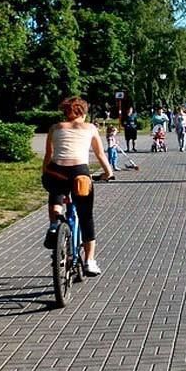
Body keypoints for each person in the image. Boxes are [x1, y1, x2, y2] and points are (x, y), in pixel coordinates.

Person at [41, 96, 114, 276]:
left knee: (56, 190)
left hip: (56, 171)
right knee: (86, 216)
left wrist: (45, 173)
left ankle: (54, 225)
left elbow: (48, 155)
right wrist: (108, 173)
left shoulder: (55, 128)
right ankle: (90, 261)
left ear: (65, 112)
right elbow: (100, 154)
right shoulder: (90, 128)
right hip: (79, 174)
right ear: (84, 112)